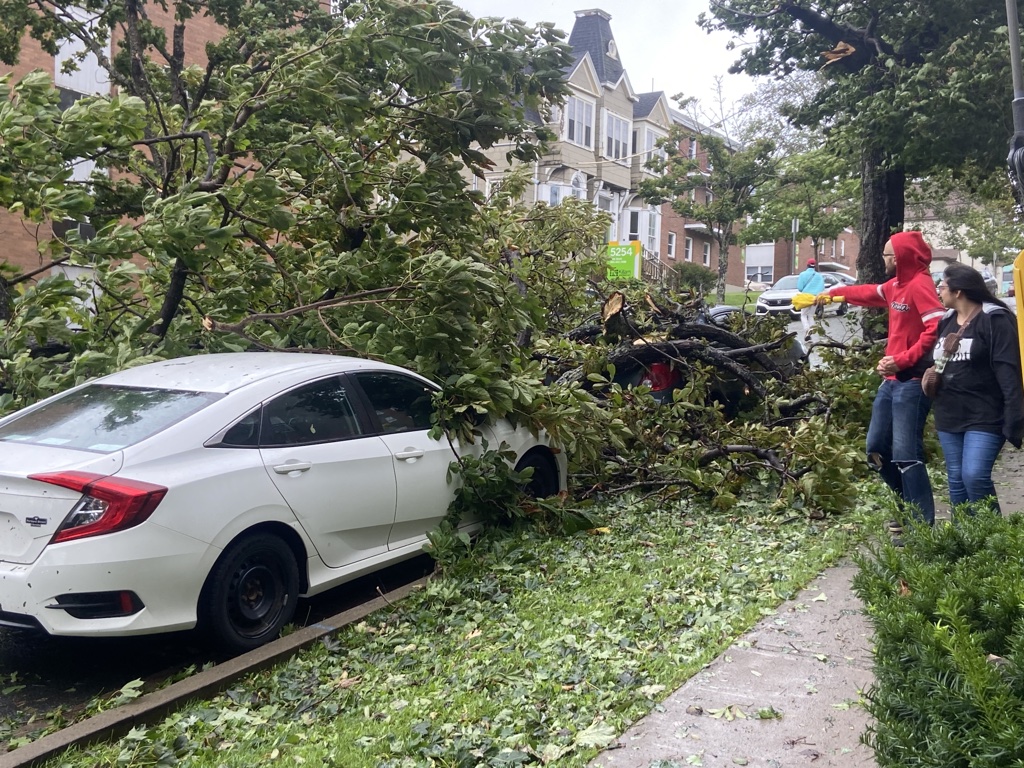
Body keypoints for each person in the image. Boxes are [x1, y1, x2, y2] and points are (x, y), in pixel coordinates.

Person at [818, 231, 945, 535]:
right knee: (875, 449)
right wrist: (832, 294)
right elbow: (867, 293)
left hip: (912, 381)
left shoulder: (920, 285)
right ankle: (905, 506)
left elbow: (936, 328)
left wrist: (903, 359)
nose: (884, 259)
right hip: (889, 383)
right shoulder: (896, 286)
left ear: (902, 257)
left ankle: (922, 526)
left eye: (889, 255)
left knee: (906, 453)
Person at [930, 263, 1024, 513]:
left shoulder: (994, 319)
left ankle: (993, 541)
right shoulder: (946, 320)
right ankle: (966, 544)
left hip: (985, 414)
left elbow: (1008, 370)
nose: (939, 290)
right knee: (957, 482)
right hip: (949, 415)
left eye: (942, 285)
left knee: (975, 476)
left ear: (958, 291)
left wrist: (1014, 416)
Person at [796, 258, 825, 341]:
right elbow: (822, 288)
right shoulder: (819, 276)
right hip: (815, 298)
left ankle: (807, 329)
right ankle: (811, 330)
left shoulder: (802, 274)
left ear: (807, 265)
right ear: (814, 266)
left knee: (803, 315)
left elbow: (800, 287)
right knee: (811, 315)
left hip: (805, 297)